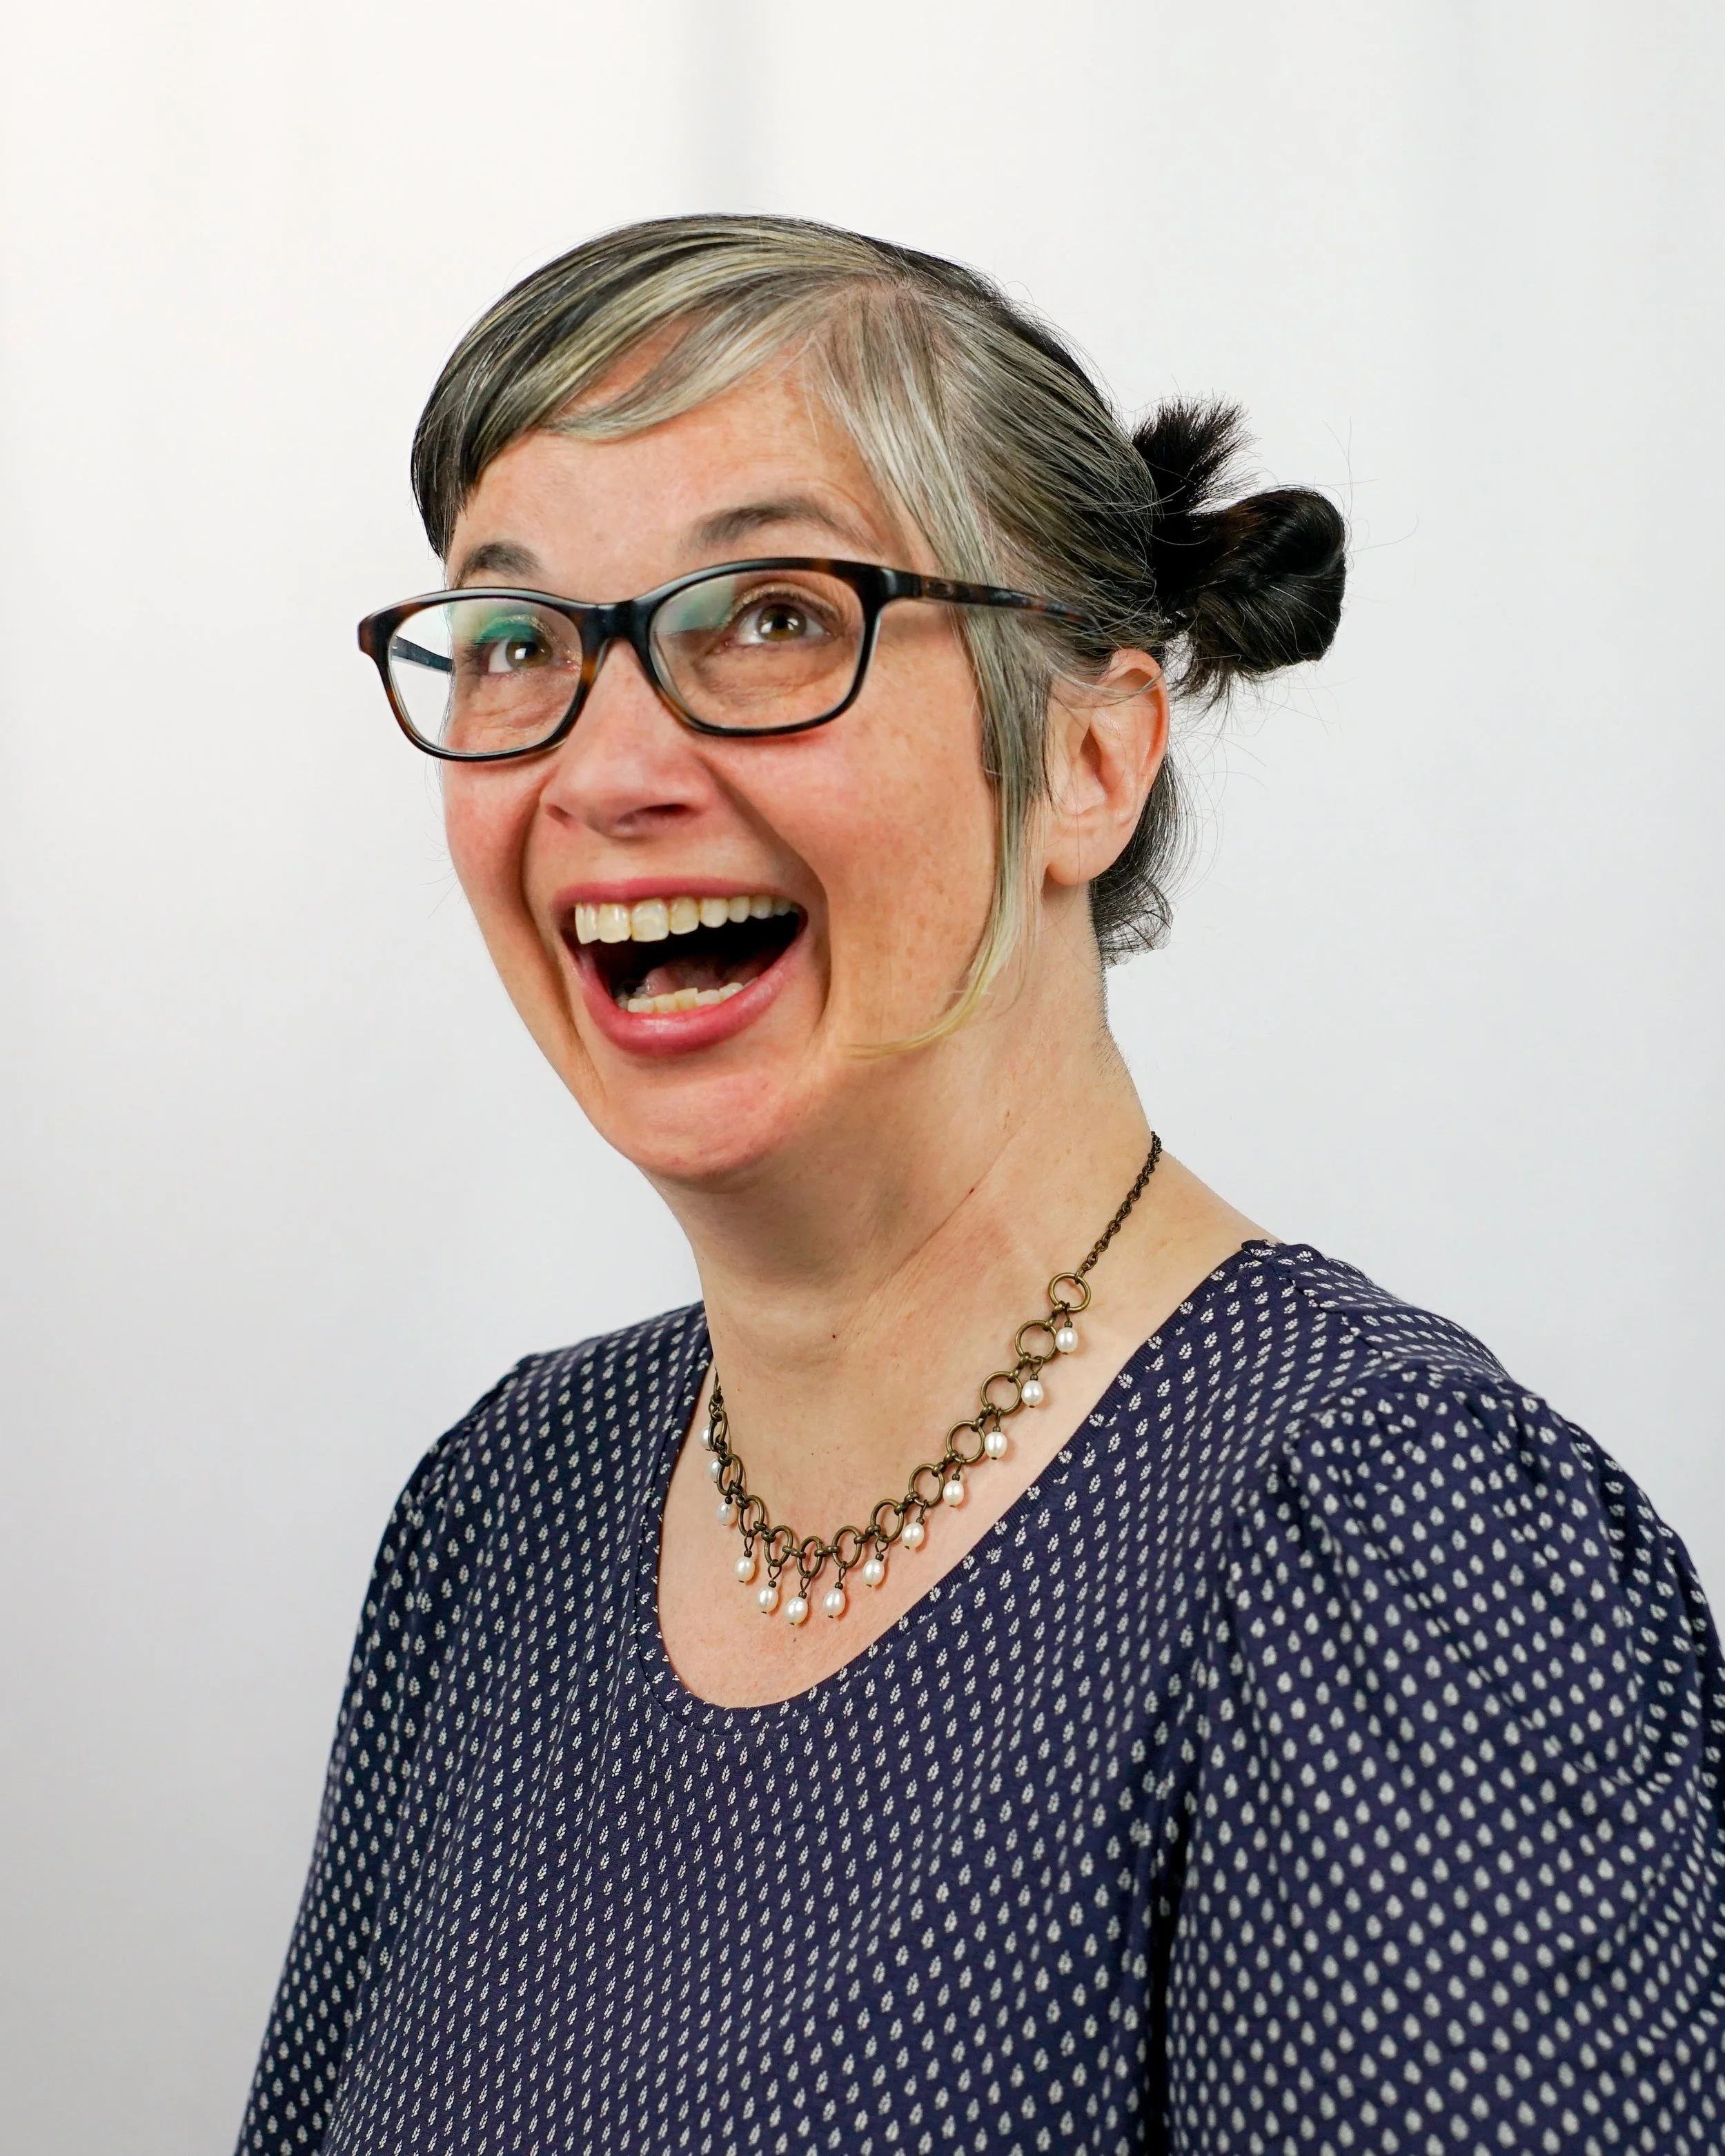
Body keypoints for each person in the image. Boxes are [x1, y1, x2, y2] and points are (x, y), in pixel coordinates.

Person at [238, 216, 1725, 2156]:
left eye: (772, 617)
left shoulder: (1400, 1552)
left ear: (1090, 759)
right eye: (520, 642)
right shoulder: (503, 1514)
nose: (605, 773)